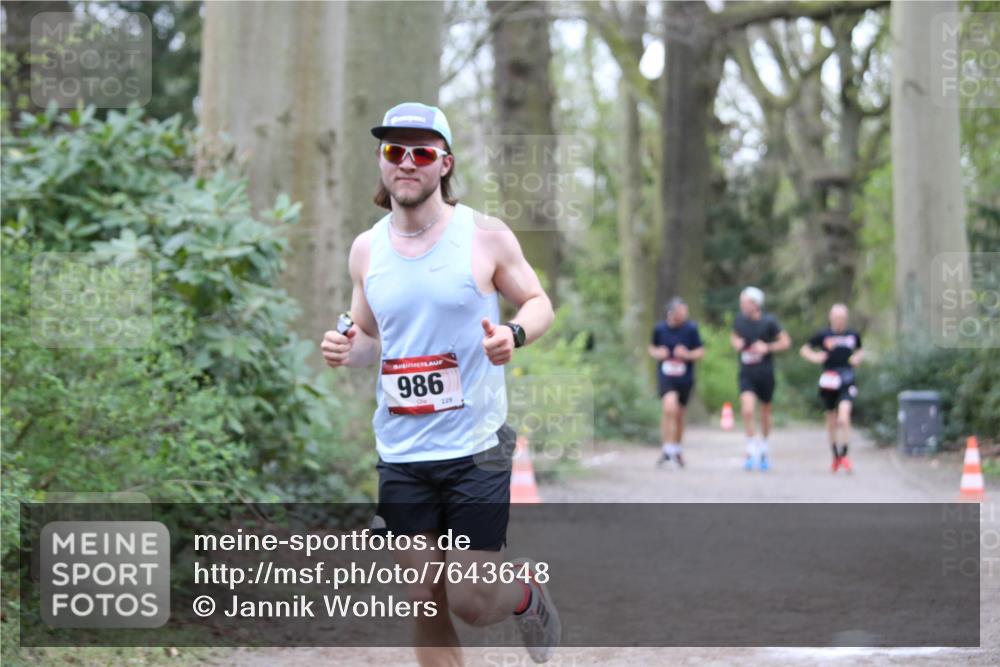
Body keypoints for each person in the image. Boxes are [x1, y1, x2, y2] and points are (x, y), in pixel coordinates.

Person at [320, 102, 560, 666]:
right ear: (382, 162)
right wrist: (348, 349)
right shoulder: (366, 250)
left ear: (443, 163)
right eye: (393, 150)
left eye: (421, 152)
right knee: (423, 598)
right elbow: (373, 341)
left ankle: (524, 595)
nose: (406, 161)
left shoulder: (484, 236)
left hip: (476, 447)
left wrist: (514, 333)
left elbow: (539, 301)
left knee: (472, 602)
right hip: (403, 452)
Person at [730, 286, 791, 471]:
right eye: (741, 302)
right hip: (746, 372)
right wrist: (737, 344)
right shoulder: (739, 321)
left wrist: (767, 347)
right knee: (747, 410)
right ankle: (750, 448)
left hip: (765, 373)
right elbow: (733, 337)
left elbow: (786, 342)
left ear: (755, 304)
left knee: (765, 411)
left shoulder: (769, 322)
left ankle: (763, 447)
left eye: (745, 302)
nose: (742, 306)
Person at [800, 304, 864, 473]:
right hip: (829, 379)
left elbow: (860, 351)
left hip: (847, 378)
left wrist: (857, 358)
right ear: (830, 318)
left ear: (846, 318)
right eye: (836, 318)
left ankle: (845, 454)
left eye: (842, 318)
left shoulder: (853, 334)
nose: (839, 321)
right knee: (831, 418)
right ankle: (835, 455)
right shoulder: (823, 334)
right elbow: (804, 349)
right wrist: (816, 357)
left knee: (844, 416)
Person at [648, 298, 705, 468]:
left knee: (679, 415)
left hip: (685, 378)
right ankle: (666, 448)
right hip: (666, 376)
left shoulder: (691, 329)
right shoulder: (659, 329)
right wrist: (658, 352)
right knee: (668, 408)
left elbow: (700, 352)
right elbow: (651, 347)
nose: (684, 315)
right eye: (682, 311)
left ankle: (677, 449)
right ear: (671, 313)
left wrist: (686, 355)